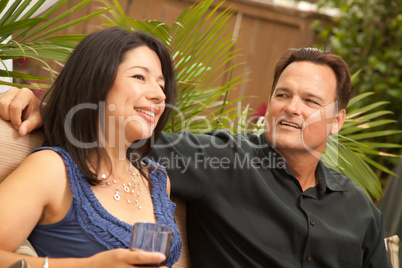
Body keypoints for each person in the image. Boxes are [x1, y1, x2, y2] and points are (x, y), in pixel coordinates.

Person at [0, 48, 391, 267]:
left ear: (337, 120)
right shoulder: (220, 161)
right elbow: (123, 134)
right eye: (283, 95)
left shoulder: (360, 211)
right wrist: (46, 107)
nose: (292, 108)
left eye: (310, 101)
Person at [0, 27, 182, 268]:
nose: (160, 95)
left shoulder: (157, 180)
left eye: (161, 85)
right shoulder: (52, 170)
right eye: (139, 77)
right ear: (95, 80)